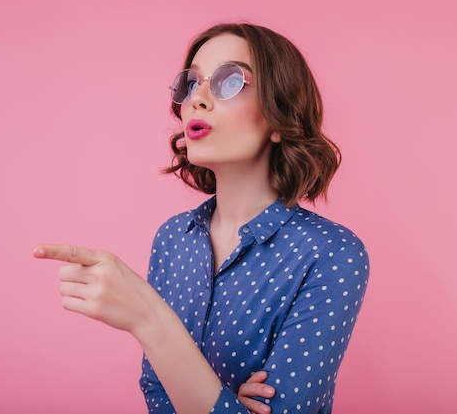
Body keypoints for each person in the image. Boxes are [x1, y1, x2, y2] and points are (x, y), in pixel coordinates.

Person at [34, 22, 369, 414]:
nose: (198, 99)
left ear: (280, 116)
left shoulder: (331, 253)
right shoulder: (173, 238)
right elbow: (157, 392)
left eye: (229, 82)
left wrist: (148, 316)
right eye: (191, 84)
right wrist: (229, 402)